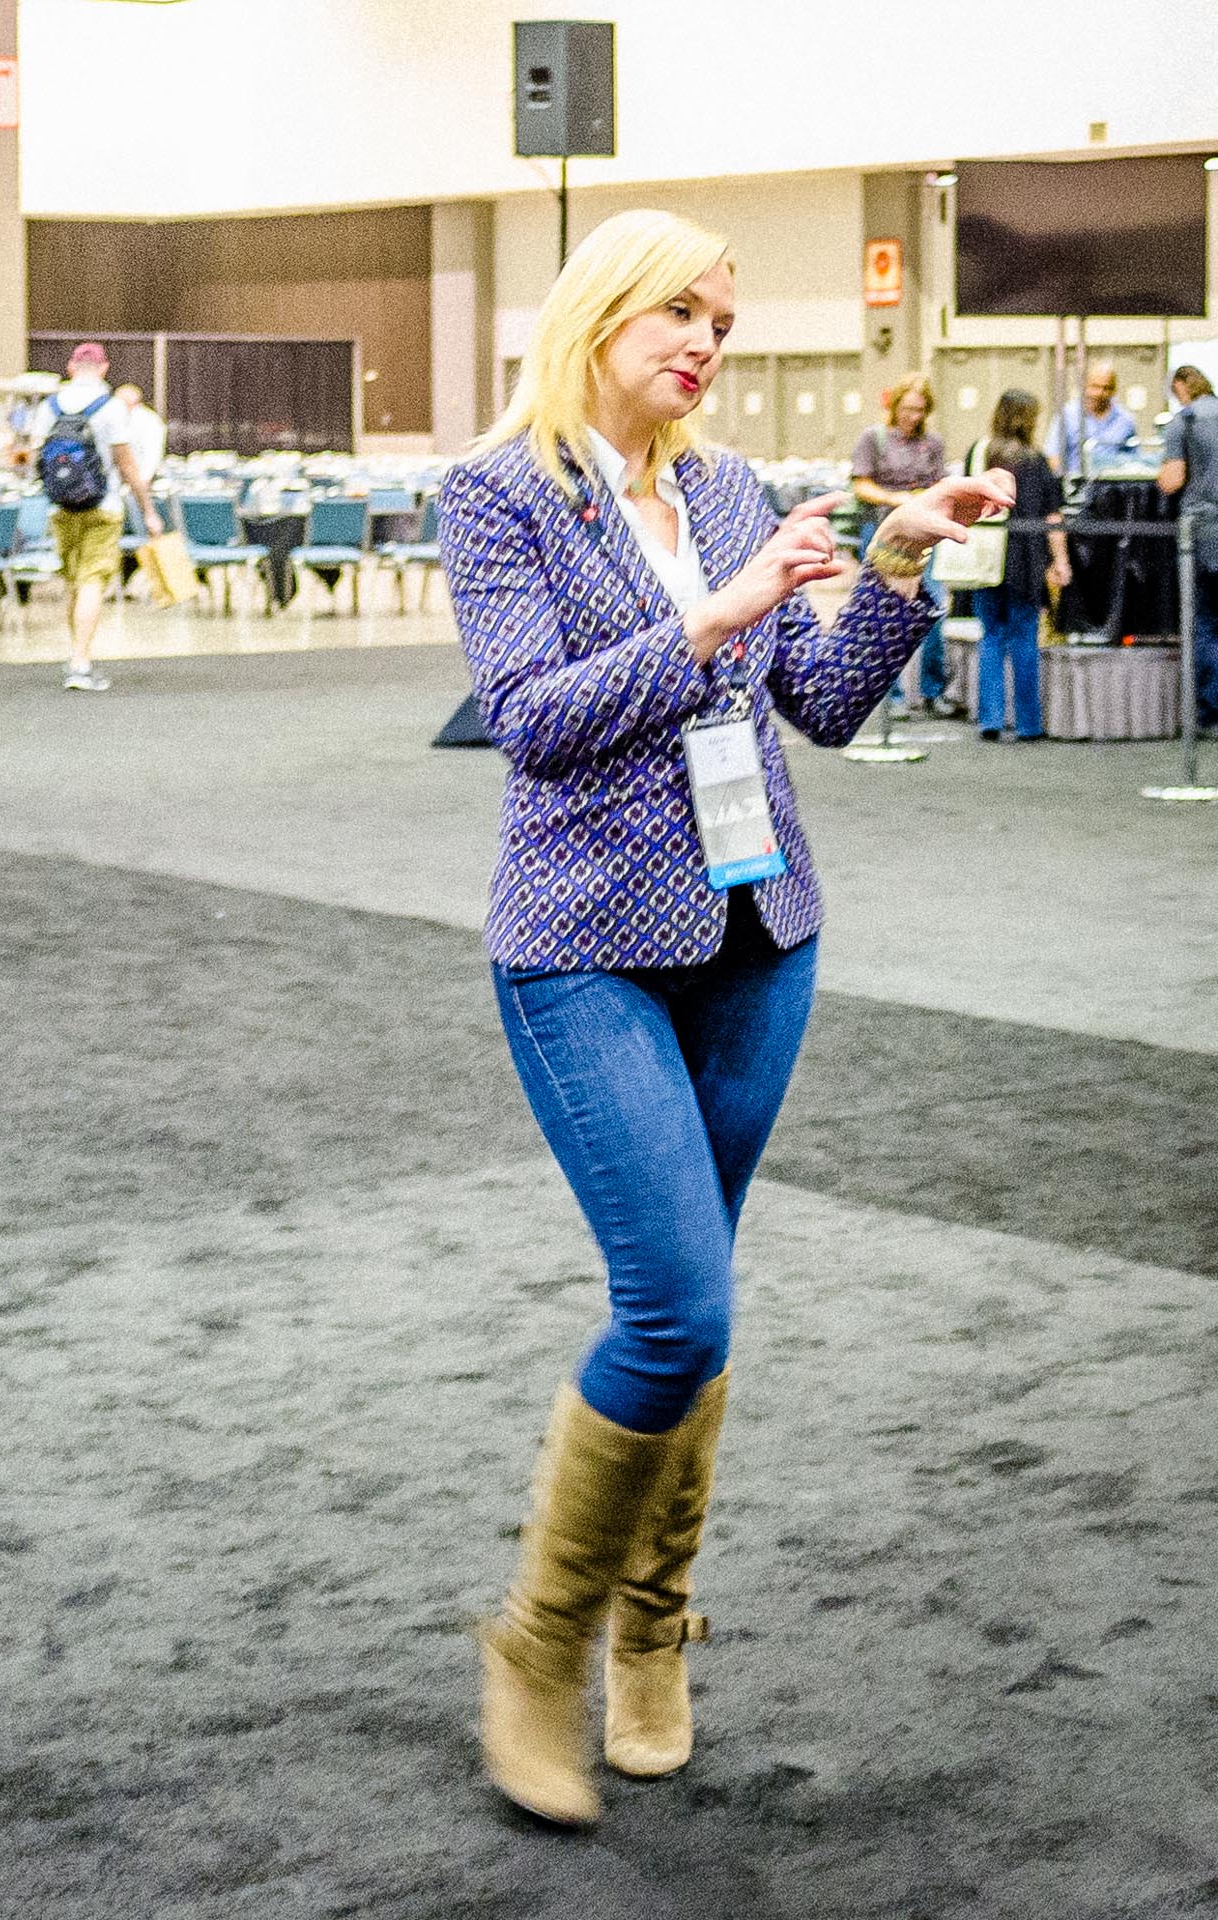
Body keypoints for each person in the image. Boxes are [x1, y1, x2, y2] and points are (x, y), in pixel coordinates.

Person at [435, 208, 1012, 1828]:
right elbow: (534, 723)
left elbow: (818, 703)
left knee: (705, 1314)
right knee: (676, 1308)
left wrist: (895, 562)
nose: (702, 342)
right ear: (600, 311)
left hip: (764, 936)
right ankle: (539, 1648)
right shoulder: (497, 494)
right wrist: (709, 616)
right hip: (585, 954)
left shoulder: (728, 486)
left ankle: (655, 1631)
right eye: (676, 312)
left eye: (720, 322)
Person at [26, 343, 162, 692]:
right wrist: (147, 509)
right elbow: (126, 464)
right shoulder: (112, 408)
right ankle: (81, 662)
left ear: (71, 366)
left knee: (74, 580)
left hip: (60, 507)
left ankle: (76, 651)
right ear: (104, 369)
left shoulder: (49, 405)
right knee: (93, 581)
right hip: (103, 507)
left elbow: (34, 458)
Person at [968, 389, 1069, 743]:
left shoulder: (979, 454)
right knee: (1024, 638)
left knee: (991, 636)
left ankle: (990, 720)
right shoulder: (1036, 461)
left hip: (985, 556)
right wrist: (1060, 560)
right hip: (1025, 559)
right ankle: (1028, 723)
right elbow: (1052, 515)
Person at [850, 373, 953, 713]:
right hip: (883, 534)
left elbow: (941, 487)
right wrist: (897, 500)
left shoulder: (933, 444)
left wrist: (925, 499)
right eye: (908, 409)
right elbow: (861, 485)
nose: (914, 416)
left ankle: (932, 691)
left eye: (921, 410)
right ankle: (890, 695)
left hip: (924, 536)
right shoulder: (874, 439)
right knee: (887, 610)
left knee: (934, 605)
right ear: (895, 407)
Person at [1157, 364, 1218, 736]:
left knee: (1205, 622)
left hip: (1204, 532)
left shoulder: (1186, 421)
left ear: (1181, 387)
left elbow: (1171, 480)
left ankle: (1209, 712)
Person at [1046, 361, 1139, 483]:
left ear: (1114, 390)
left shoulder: (1126, 420)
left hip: (1114, 489)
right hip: (1076, 488)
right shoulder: (1067, 415)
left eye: (1106, 388)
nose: (1099, 393)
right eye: (1095, 386)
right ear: (1085, 386)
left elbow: (1134, 459)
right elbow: (1053, 456)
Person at [114, 384, 168, 489]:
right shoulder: (115, 417)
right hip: (118, 480)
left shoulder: (150, 421)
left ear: (134, 402)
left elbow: (152, 453)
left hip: (139, 478)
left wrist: (144, 479)